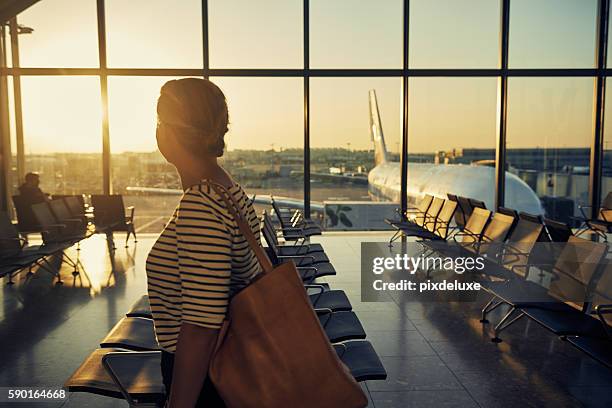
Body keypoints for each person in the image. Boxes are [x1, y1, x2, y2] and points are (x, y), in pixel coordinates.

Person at [146, 78, 262, 408]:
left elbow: (201, 325)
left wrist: (179, 403)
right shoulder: (225, 189)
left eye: (158, 121)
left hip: (208, 376)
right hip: (228, 361)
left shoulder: (201, 203)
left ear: (169, 130)